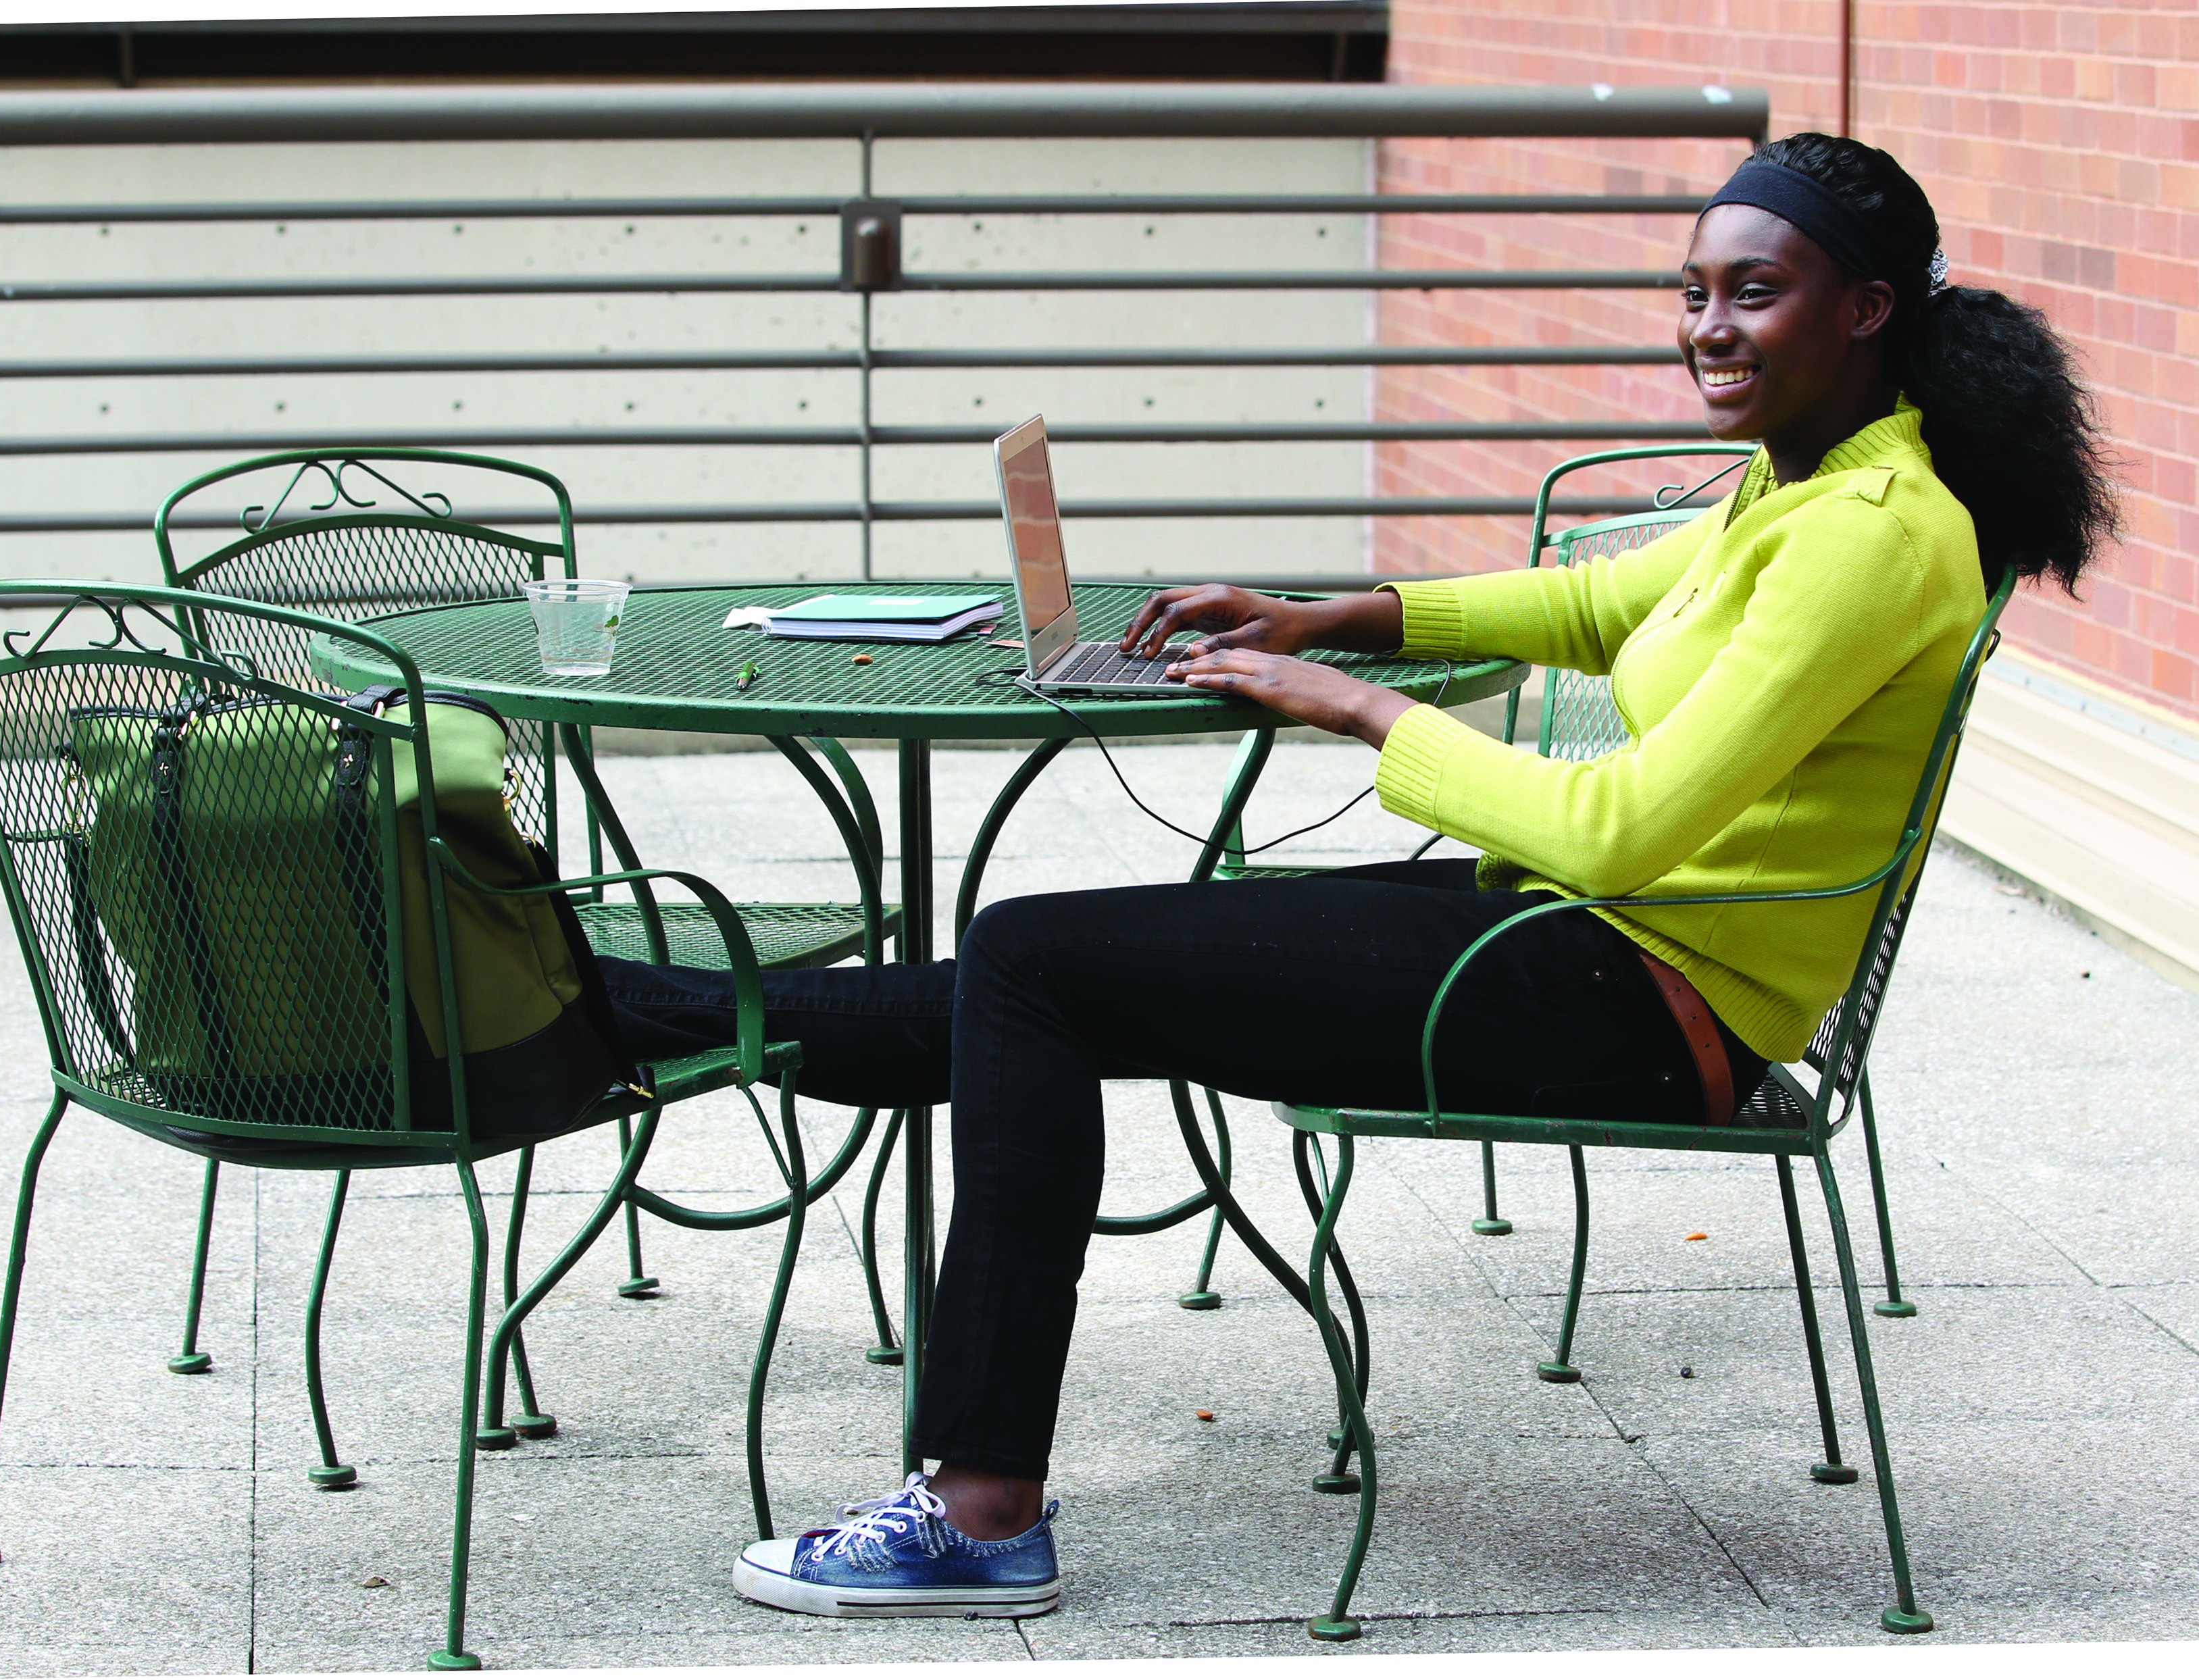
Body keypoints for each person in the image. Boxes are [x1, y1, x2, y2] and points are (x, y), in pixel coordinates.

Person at [598, 132, 2117, 1620]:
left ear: (1863, 312)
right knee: (1038, 973)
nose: (1707, 328)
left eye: (1753, 293)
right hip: (1585, 947)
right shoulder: (1796, 491)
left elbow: (1616, 830)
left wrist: (1359, 710)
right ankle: (632, 1013)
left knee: (1036, 960)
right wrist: (1327, 615)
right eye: (1692, 290)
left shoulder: (1866, 532)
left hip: (1641, 1001)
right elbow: (1592, 603)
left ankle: (981, 1508)